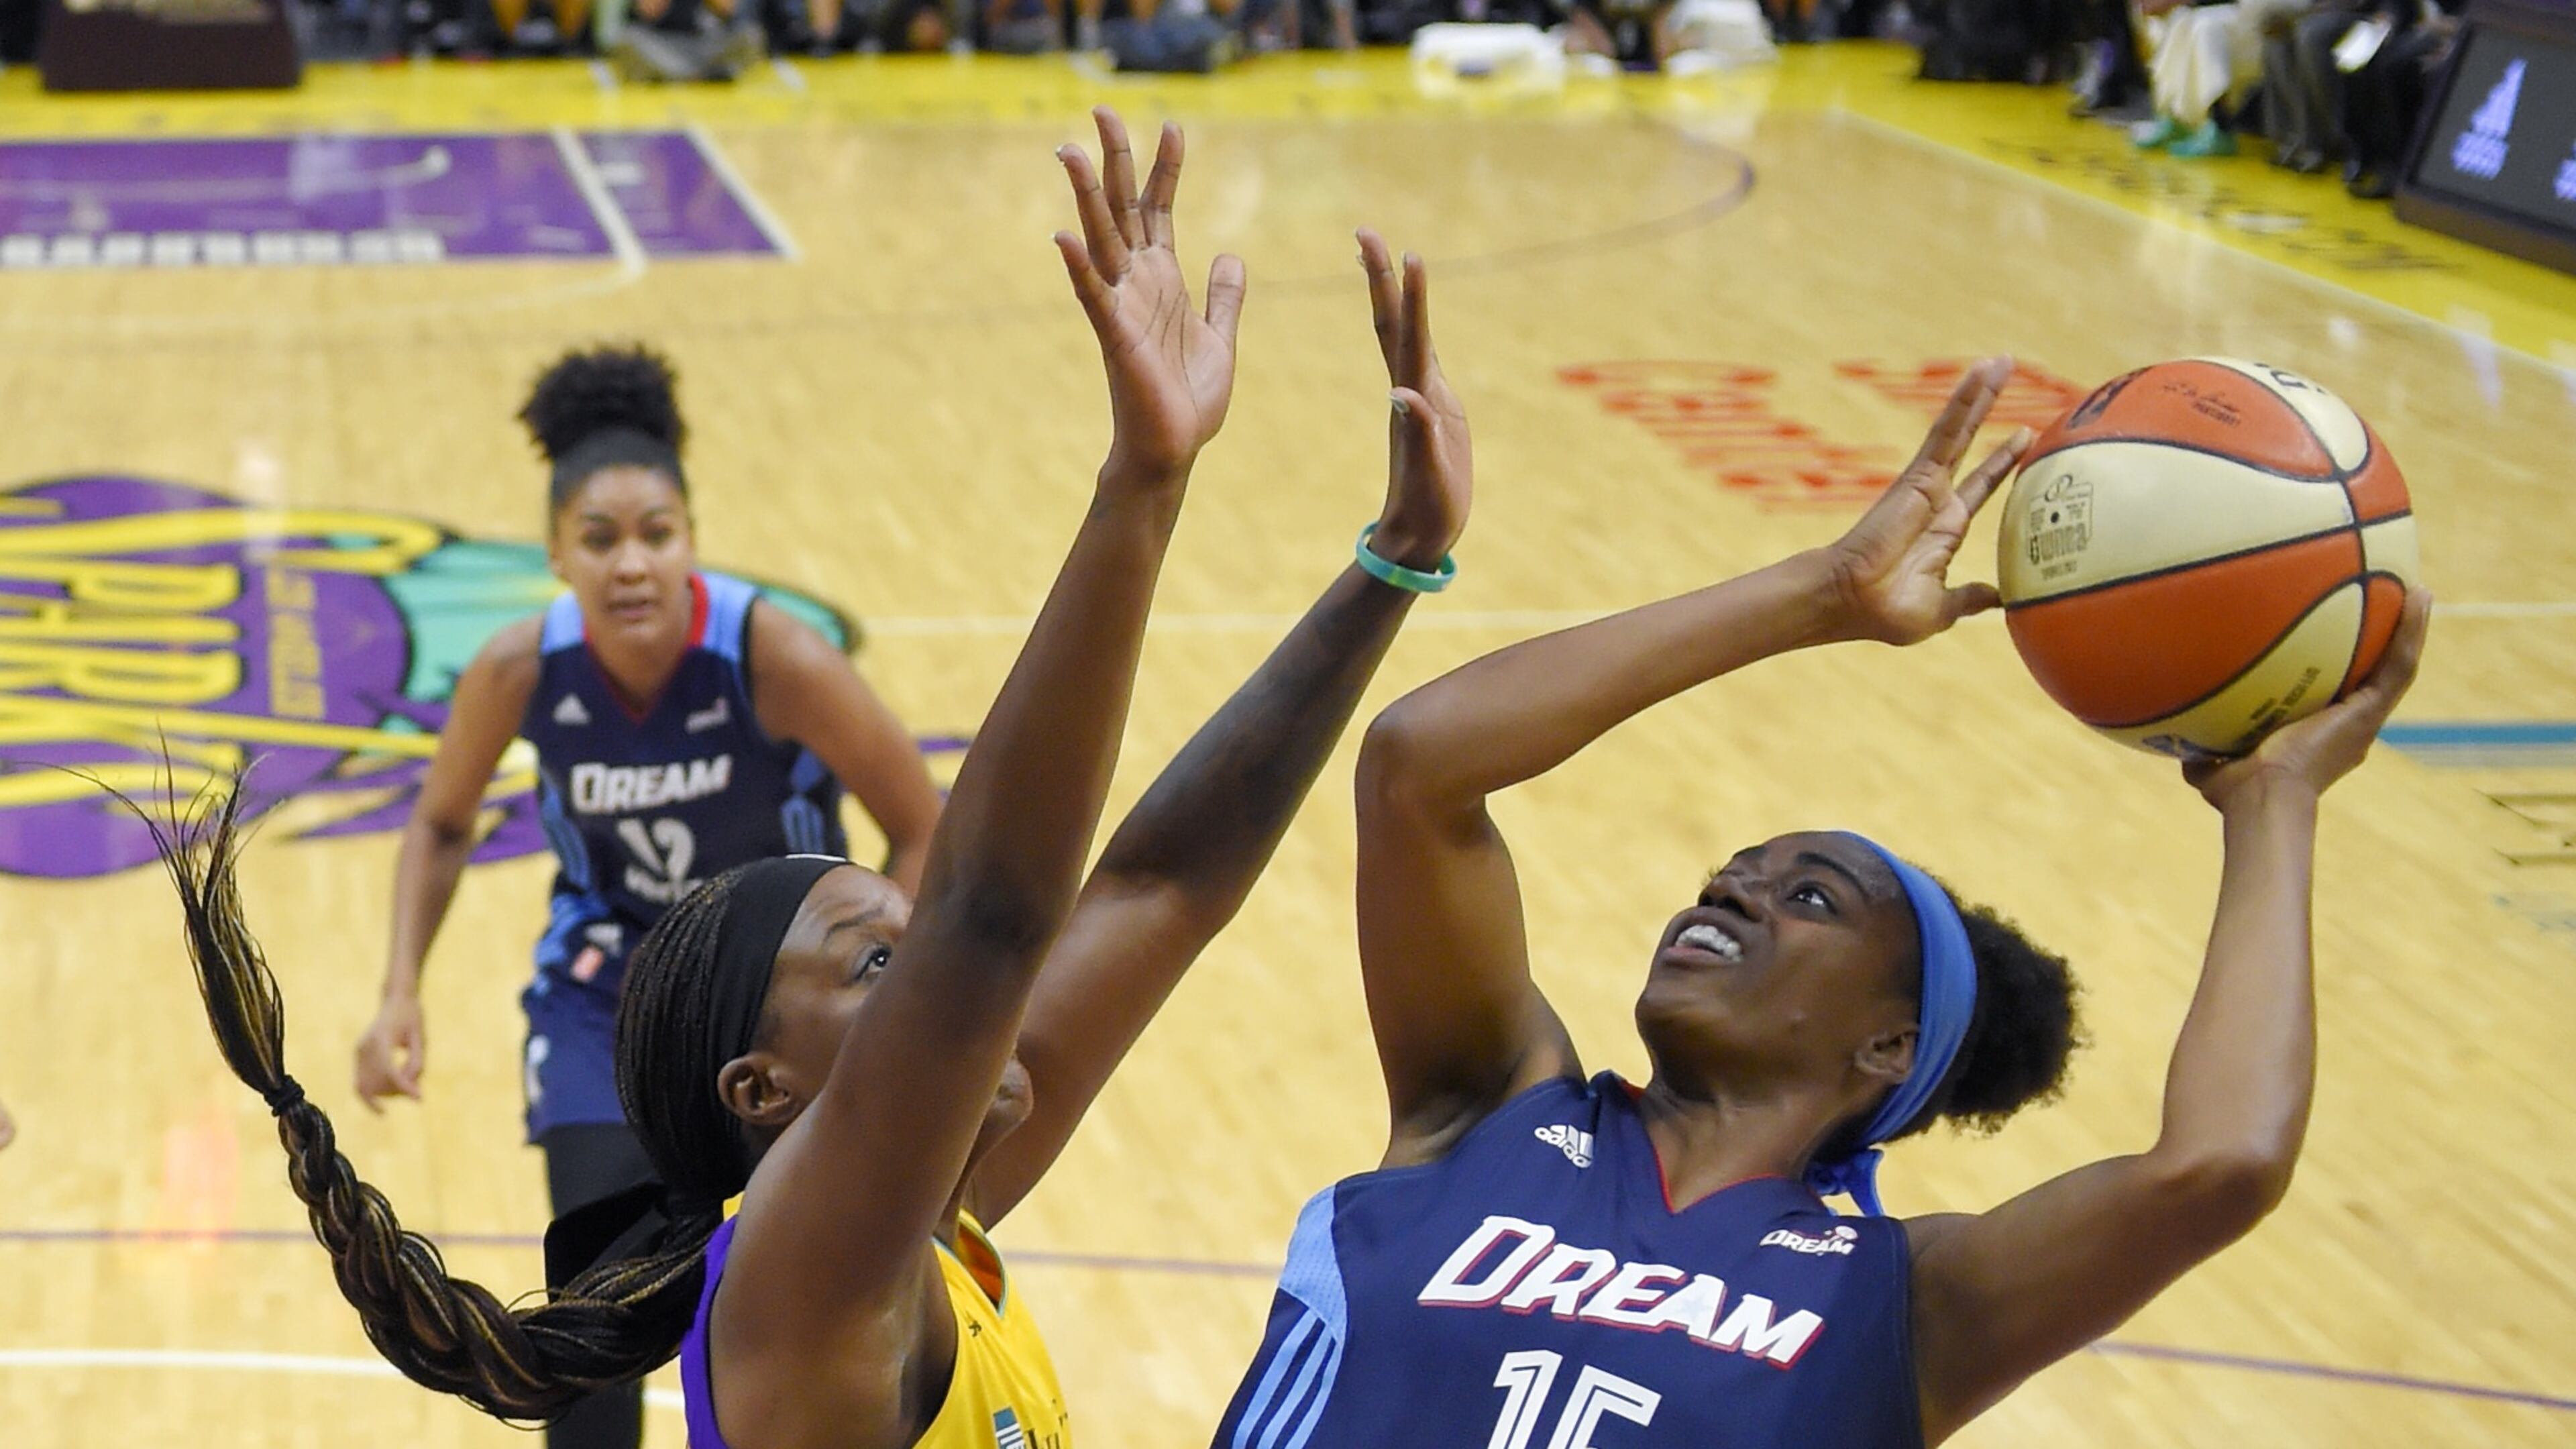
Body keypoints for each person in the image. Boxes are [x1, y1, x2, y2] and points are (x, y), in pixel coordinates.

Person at [149, 106, 1474, 1449]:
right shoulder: (800, 1281)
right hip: (592, 1001)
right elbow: (991, 912)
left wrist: (1394, 563)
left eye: (904, 943)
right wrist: (1140, 482)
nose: (960, 992)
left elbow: (1160, 886)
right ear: (762, 1090)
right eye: (878, 968)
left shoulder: (932, 1221)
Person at [1214, 357, 2432, 1448]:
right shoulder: (1490, 1110)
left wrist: (2274, 808)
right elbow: (1421, 765)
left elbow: (2218, 1165)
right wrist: (1820, 593)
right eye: (1731, 873)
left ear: (1889, 1042)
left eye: (1808, 894)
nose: (1734, 890)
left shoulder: (1902, 1303)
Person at [348, 340, 944, 1449]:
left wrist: (889, 999)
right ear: (556, 556)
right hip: (603, 1002)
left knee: (828, 1304)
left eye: (656, 536)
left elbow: (923, 825)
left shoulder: (775, 655)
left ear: (691, 543)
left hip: (781, 1012)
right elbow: (437, 825)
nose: (631, 565)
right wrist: (399, 994)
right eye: (600, 540)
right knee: (592, 1330)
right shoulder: (520, 670)